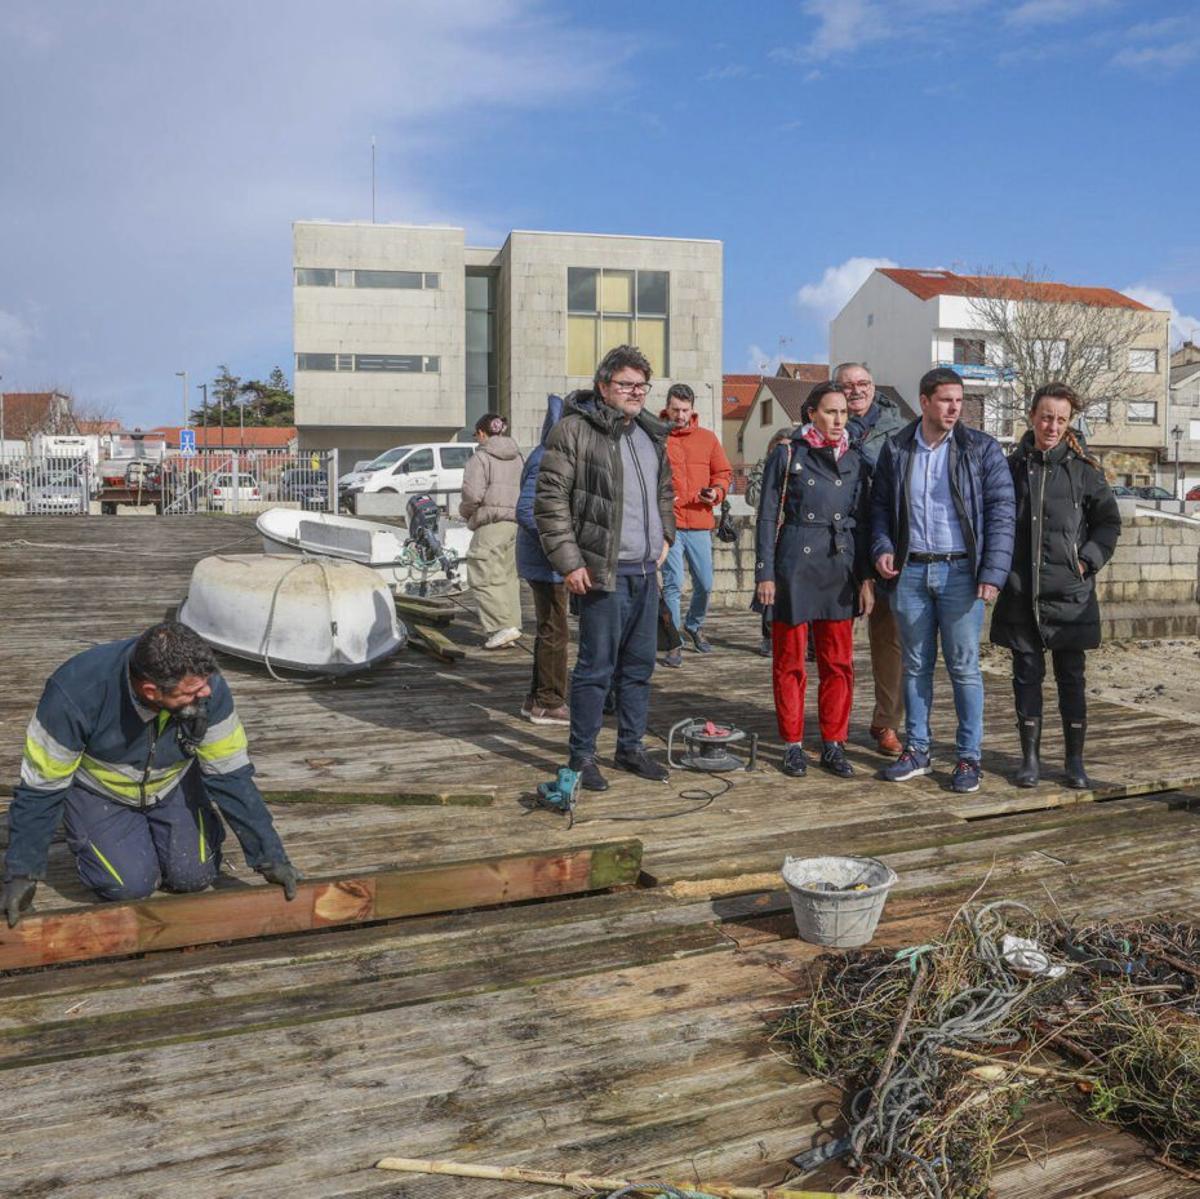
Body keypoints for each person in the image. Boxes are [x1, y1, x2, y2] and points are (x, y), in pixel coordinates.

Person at [3, 622, 298, 927]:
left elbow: (231, 774)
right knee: (129, 886)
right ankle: (65, 819)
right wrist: (22, 872)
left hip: (170, 783)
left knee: (194, 876)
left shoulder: (207, 686)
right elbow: (42, 788)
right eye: (192, 692)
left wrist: (270, 855)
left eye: (206, 684)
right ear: (151, 691)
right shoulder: (74, 693)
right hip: (99, 790)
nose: (207, 693)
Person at [535, 344, 675, 793]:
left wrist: (667, 536)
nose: (635, 393)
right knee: (596, 668)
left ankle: (631, 747)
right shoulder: (573, 431)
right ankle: (583, 755)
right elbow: (551, 501)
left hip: (645, 571)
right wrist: (569, 562)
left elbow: (665, 493)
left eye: (641, 386)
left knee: (638, 667)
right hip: (602, 572)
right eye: (626, 385)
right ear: (603, 387)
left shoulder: (651, 434)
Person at [871, 367, 1016, 794]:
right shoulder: (897, 448)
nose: (955, 408)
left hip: (961, 574)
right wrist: (882, 547)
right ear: (924, 401)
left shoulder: (981, 449)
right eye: (946, 400)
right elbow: (880, 508)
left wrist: (992, 572)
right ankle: (917, 749)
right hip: (911, 570)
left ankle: (969, 757)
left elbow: (1002, 514)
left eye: (959, 400)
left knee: (964, 667)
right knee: (915, 665)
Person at [991, 383, 1121, 789]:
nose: (1052, 426)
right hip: (1021, 592)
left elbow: (1109, 523)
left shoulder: (1084, 472)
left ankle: (1074, 761)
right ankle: (1029, 758)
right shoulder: (1010, 469)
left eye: (1061, 420)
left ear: (1069, 424)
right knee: (1026, 676)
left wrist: (1087, 560)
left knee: (1072, 678)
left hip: (1070, 592)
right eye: (1046, 417)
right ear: (1032, 416)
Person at [755, 383, 875, 779]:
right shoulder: (788, 453)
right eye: (830, 412)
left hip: (839, 566)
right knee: (789, 662)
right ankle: (792, 743)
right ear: (812, 414)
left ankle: (833, 743)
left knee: (838, 663)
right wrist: (765, 573)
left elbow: (863, 522)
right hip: (794, 564)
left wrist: (865, 578)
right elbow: (768, 516)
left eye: (844, 412)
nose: (839, 420)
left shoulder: (857, 458)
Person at [837, 362, 907, 756]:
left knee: (888, 641)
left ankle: (886, 722)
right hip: (839, 545)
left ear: (873, 386)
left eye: (862, 383)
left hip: (884, 545)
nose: (856, 391)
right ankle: (835, 724)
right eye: (848, 385)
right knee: (834, 642)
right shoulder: (825, 426)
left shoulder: (898, 430)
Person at [659, 383, 733, 666]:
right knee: (673, 583)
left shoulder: (708, 438)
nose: (680, 415)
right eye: (675, 410)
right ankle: (673, 640)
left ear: (692, 409)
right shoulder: (657, 437)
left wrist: (716, 492)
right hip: (670, 523)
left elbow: (723, 473)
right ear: (667, 408)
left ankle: (694, 624)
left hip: (701, 521)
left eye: (685, 410)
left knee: (705, 583)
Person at [516, 394, 569, 725]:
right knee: (555, 631)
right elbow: (526, 511)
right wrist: (560, 544)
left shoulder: (544, 454)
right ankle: (548, 701)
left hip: (543, 559)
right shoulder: (546, 458)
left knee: (549, 630)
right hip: (546, 561)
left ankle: (536, 699)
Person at [460, 413, 524, 650]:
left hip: (491, 522)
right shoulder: (518, 457)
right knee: (508, 576)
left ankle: (501, 626)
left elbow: (472, 495)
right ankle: (512, 625)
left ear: (482, 433)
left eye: (477, 434)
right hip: (515, 523)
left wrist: (467, 513)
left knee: (482, 572)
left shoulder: (480, 458)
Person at [747, 429, 791, 656]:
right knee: (767, 585)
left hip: (789, 534)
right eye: (779, 447)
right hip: (768, 533)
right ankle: (768, 635)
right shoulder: (762, 468)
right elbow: (752, 497)